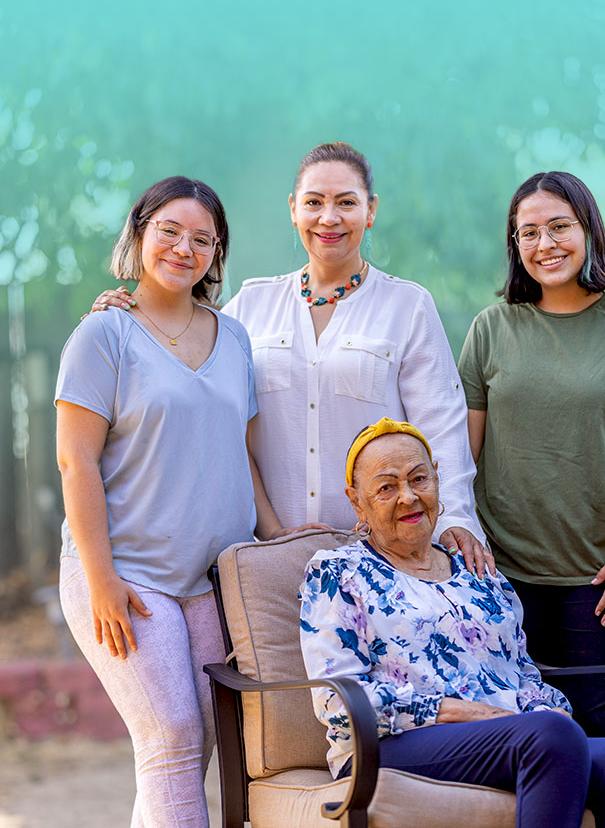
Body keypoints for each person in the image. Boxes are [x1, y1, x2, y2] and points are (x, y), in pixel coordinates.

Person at [88, 142, 488, 572]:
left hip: (383, 555)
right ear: (294, 209)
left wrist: (454, 518)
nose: (328, 217)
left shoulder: (407, 306)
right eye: (314, 202)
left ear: (370, 211)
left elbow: (441, 427)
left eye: (346, 203)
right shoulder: (248, 308)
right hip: (270, 554)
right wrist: (124, 317)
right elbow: (182, 366)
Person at [56, 176, 292, 828]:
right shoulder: (102, 336)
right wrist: (100, 578)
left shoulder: (235, 337)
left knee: (193, 748)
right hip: (127, 576)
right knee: (171, 740)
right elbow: (74, 460)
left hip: (209, 584)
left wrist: (279, 538)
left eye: (202, 239)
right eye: (169, 231)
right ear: (138, 234)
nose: (184, 247)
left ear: (217, 255)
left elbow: (239, 454)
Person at [300, 418, 605, 828]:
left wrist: (549, 710)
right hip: (388, 744)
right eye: (386, 487)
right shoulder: (339, 572)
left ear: (438, 478)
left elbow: (522, 673)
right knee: (548, 737)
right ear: (356, 502)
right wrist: (467, 714)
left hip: (512, 736)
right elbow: (337, 699)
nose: (408, 497)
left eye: (419, 478)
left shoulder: (478, 570)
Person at [458, 171, 605, 741]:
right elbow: (461, 453)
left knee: (601, 734)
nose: (545, 245)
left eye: (559, 227)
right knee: (516, 737)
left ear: (589, 231)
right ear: (515, 245)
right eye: (528, 233)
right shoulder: (490, 329)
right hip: (501, 576)